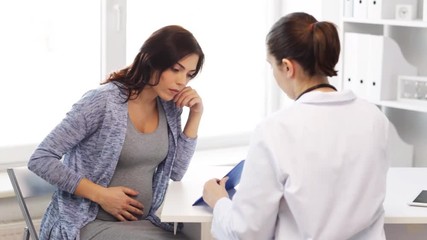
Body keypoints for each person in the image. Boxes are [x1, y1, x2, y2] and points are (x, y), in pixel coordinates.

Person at [203, 12, 390, 240]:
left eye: (271, 66)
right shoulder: (374, 118)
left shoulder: (275, 130)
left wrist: (218, 201)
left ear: (287, 67)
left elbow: (247, 233)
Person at [28, 25, 204, 240]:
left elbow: (175, 172)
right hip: (86, 223)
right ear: (150, 61)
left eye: (189, 74)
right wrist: (102, 195)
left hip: (138, 225)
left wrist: (195, 115)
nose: (182, 82)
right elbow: (41, 159)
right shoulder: (103, 101)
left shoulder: (168, 107)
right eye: (175, 70)